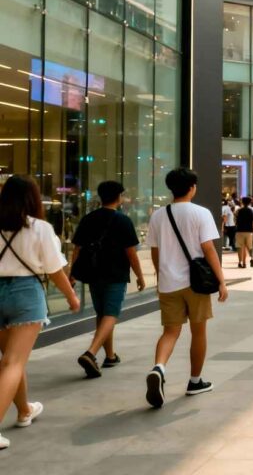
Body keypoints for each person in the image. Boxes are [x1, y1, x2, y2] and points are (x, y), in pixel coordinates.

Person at [0, 175, 78, 449]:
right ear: (33, 198)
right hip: (26, 293)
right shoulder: (40, 228)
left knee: (11, 359)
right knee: (13, 362)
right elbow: (54, 269)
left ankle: (24, 410)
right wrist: (71, 296)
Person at [144, 168, 227, 409]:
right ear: (192, 187)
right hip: (196, 284)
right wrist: (221, 280)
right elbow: (208, 248)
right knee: (198, 332)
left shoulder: (158, 216)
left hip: (169, 283)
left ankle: (159, 367)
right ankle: (195, 381)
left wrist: (161, 279)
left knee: (170, 332)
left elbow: (155, 251)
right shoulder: (200, 213)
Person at [70, 180, 145, 379]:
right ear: (119, 197)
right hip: (115, 274)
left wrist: (72, 273)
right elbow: (131, 253)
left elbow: (76, 249)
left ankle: (110, 355)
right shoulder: (123, 220)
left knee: (102, 314)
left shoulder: (88, 219)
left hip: (93, 274)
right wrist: (140, 276)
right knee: (111, 314)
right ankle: (91, 352)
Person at [234, 197, 253, 269]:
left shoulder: (238, 210)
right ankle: (250, 259)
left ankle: (240, 262)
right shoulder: (252, 211)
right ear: (250, 203)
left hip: (239, 231)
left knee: (240, 247)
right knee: (249, 246)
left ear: (242, 202)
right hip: (249, 231)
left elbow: (235, 220)